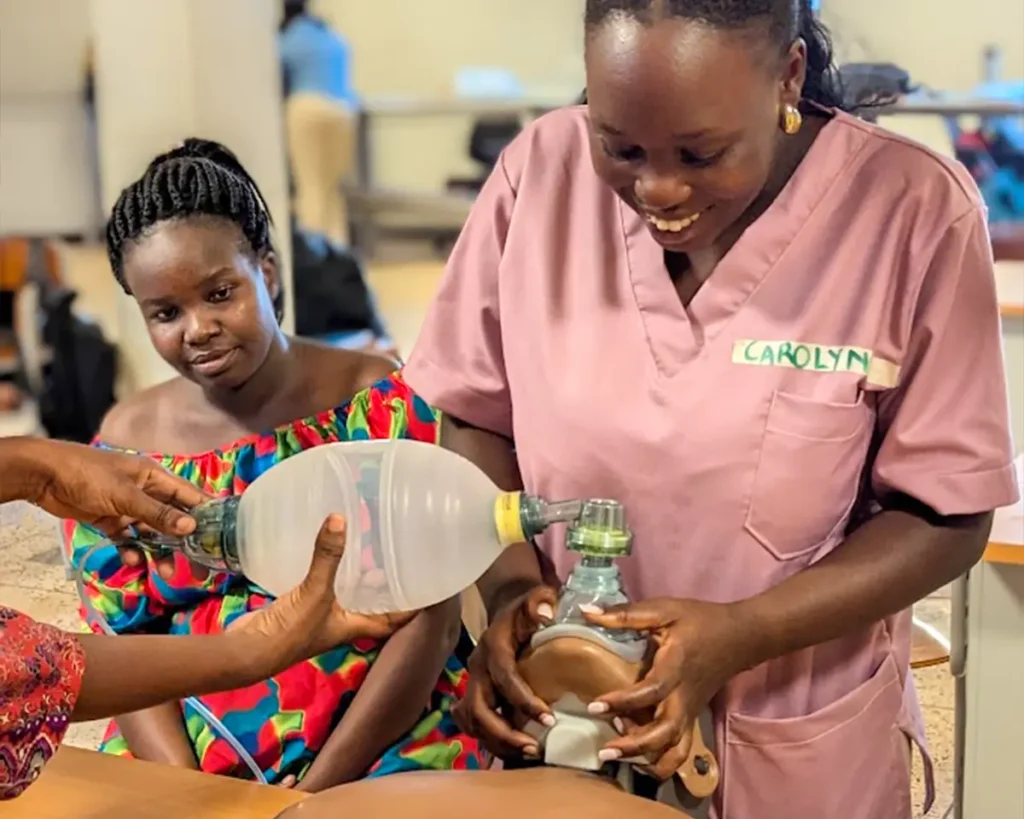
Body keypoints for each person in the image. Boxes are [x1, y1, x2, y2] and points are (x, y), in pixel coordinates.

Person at [402, 1, 1019, 816]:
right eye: (619, 146)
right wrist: (515, 595)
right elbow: (475, 414)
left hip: (791, 739)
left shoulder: (911, 213)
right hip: (571, 719)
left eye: (702, 153)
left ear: (788, 77)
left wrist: (744, 631)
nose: (656, 190)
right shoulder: (538, 176)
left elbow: (946, 517)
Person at [64, 138, 484, 791]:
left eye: (220, 292)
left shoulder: (374, 403)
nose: (198, 328)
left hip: (383, 729)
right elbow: (124, 640)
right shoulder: (124, 451)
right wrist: (197, 793)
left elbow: (433, 613)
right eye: (166, 313)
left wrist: (316, 790)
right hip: (197, 749)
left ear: (268, 271)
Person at [0, 436, 407, 800]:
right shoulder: (122, 445)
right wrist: (252, 650)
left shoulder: (369, 424)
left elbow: (426, 616)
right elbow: (35, 676)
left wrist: (33, 469)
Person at [280, 0, 359, 247]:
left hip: (306, 109)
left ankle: (314, 253)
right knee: (333, 189)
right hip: (343, 110)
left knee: (310, 185)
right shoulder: (329, 35)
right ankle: (338, 250)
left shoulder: (287, 38)